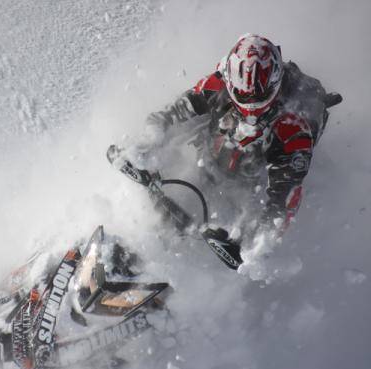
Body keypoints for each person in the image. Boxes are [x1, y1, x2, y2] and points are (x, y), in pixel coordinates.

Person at [108, 33, 341, 246]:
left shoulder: (293, 127)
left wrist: (255, 242)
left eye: (258, 96)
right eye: (242, 94)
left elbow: (284, 200)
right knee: (190, 129)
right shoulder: (218, 83)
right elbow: (172, 112)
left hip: (252, 188)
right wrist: (148, 142)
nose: (250, 103)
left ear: (275, 85)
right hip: (207, 154)